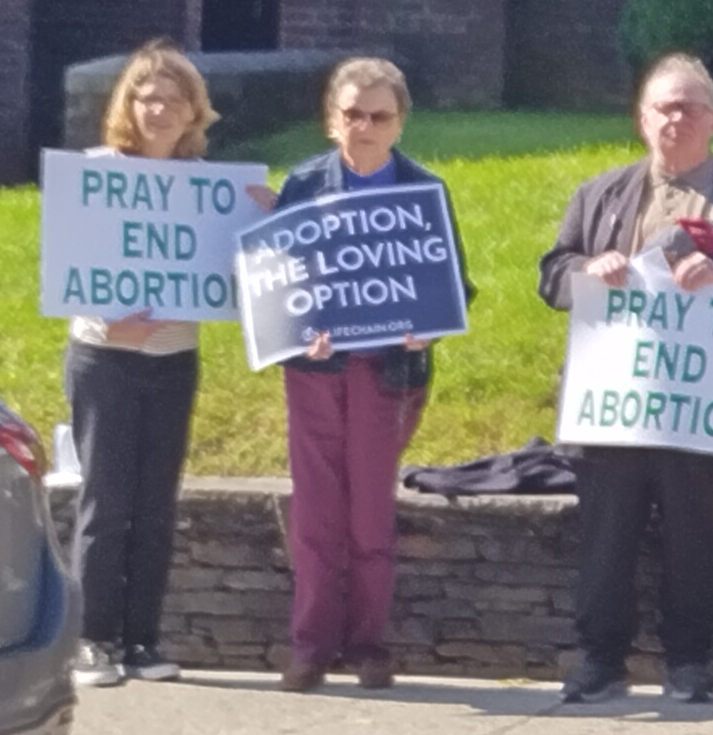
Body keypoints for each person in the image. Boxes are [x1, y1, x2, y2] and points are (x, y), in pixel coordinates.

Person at [540, 52, 713, 707]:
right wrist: (587, 269)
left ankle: (688, 662)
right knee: (606, 541)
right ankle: (600, 660)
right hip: (613, 403)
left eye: (690, 107)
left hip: (699, 405)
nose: (676, 118)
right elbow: (551, 278)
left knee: (695, 539)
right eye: (664, 106)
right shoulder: (597, 197)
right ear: (641, 118)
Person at [269, 56, 467, 693]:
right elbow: (276, 286)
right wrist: (298, 327)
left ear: (400, 123)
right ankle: (310, 646)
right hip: (314, 368)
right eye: (352, 114)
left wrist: (430, 324)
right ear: (331, 120)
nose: (364, 126)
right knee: (315, 510)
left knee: (370, 514)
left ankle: (367, 645)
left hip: (387, 369)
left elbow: (454, 286)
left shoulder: (424, 191)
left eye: (378, 116)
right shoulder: (302, 186)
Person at [63, 41, 224, 689]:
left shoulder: (208, 187)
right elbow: (68, 268)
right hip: (104, 358)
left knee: (157, 505)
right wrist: (108, 317)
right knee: (105, 502)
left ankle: (142, 639)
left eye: (172, 98)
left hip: (174, 358)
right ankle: (92, 641)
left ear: (193, 111)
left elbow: (231, 271)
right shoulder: (96, 172)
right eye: (145, 96)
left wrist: (261, 218)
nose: (158, 109)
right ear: (127, 104)